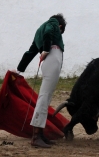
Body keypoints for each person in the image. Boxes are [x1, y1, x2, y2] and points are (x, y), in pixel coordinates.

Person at [15, 13, 67, 148]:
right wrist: (45, 50)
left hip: (48, 62)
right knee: (44, 98)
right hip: (53, 60)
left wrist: (19, 69)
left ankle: (40, 134)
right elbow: (49, 32)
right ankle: (36, 136)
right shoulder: (53, 24)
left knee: (45, 97)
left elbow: (30, 52)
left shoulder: (39, 30)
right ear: (60, 26)